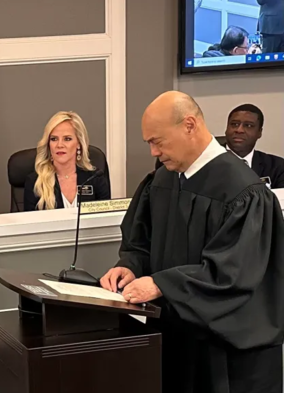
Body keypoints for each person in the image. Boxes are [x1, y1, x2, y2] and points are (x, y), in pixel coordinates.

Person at [100, 91, 284, 393]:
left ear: (189, 126)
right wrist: (130, 266)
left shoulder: (244, 192)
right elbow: (141, 242)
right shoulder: (162, 180)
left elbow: (231, 274)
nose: (153, 152)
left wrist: (161, 284)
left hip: (228, 353)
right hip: (177, 338)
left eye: (157, 141)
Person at [24, 111, 110, 211]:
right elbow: (30, 224)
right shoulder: (35, 182)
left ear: (79, 143)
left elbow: (105, 221)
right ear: (48, 144)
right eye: (54, 139)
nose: (59, 145)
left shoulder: (95, 178)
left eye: (67, 139)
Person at [224, 103, 284, 189]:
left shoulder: (277, 167)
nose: (239, 130)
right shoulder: (207, 161)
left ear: (259, 132)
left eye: (248, 125)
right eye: (234, 124)